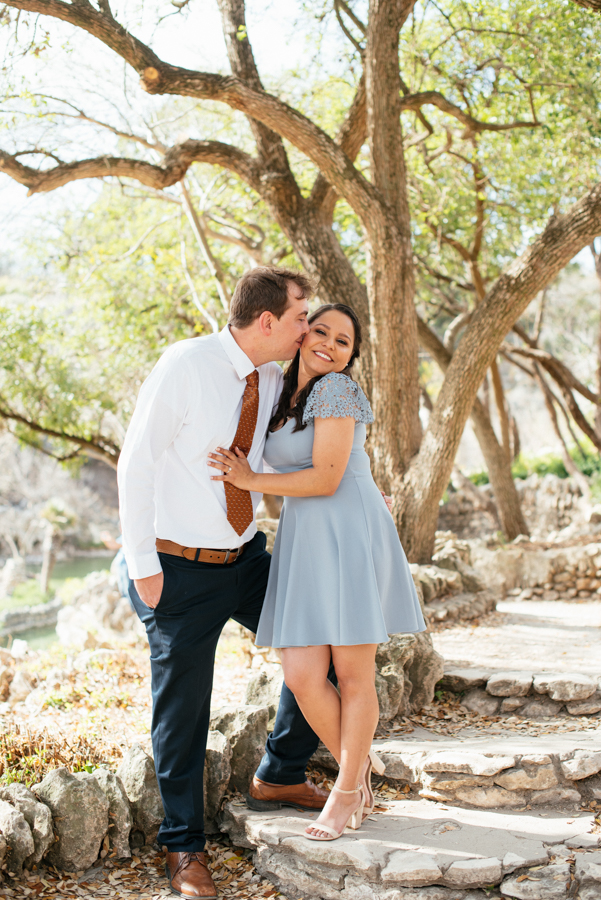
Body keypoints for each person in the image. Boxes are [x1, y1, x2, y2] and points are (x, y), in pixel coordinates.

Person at [118, 268, 333, 899]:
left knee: (318, 639)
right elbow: (137, 461)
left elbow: (278, 459)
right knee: (183, 712)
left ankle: (281, 771)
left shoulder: (270, 375)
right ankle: (182, 846)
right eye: (300, 318)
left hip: (243, 560)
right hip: (176, 570)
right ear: (267, 321)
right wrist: (144, 571)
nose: (307, 329)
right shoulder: (185, 365)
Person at [208, 303, 426, 842]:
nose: (329, 344)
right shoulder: (281, 394)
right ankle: (357, 771)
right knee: (303, 675)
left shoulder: (337, 391)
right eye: (321, 331)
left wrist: (249, 478)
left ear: (352, 356)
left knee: (353, 674)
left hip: (346, 532)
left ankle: (347, 791)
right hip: (305, 538)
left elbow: (327, 477)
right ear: (302, 335)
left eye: (344, 341)